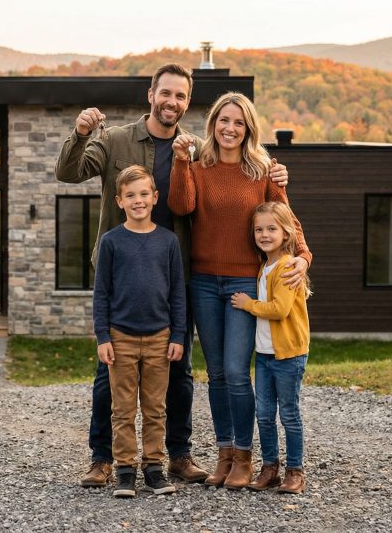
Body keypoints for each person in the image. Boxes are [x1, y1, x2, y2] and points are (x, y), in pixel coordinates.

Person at [57, 64, 290, 488]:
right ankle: (102, 458)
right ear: (151, 94)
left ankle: (178, 456)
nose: (172, 102)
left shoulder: (199, 150)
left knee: (179, 369)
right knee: (110, 371)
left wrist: (276, 172)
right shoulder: (115, 140)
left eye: (181, 96)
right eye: (165, 93)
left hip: (178, 273)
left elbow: (237, 182)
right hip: (123, 273)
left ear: (188, 102)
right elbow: (68, 173)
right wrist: (79, 132)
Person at [168, 92, 311, 490]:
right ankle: (225, 454)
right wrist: (181, 163)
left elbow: (287, 219)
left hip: (245, 283)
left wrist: (303, 255)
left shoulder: (263, 170)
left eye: (239, 123)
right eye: (223, 121)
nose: (230, 129)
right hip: (203, 281)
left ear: (248, 129)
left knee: (235, 371)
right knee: (215, 375)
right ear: (213, 123)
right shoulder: (198, 166)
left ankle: (245, 457)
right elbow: (181, 206)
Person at [93, 165, 185, 497]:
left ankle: (155, 468)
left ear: (155, 197)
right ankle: (125, 470)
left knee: (155, 407)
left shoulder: (168, 241)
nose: (138, 200)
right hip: (121, 337)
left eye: (144, 194)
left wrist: (177, 336)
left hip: (160, 336)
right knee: (122, 408)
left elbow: (177, 292)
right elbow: (101, 292)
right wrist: (103, 336)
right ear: (119, 200)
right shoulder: (112, 242)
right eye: (130, 195)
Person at [231, 202, 311, 495]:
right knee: (264, 414)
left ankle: (295, 471)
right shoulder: (265, 265)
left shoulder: (288, 265)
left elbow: (280, 309)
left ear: (286, 231)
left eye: (271, 229)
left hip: (288, 354)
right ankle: (270, 468)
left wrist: (247, 304)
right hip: (265, 355)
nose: (264, 234)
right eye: (259, 229)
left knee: (288, 413)